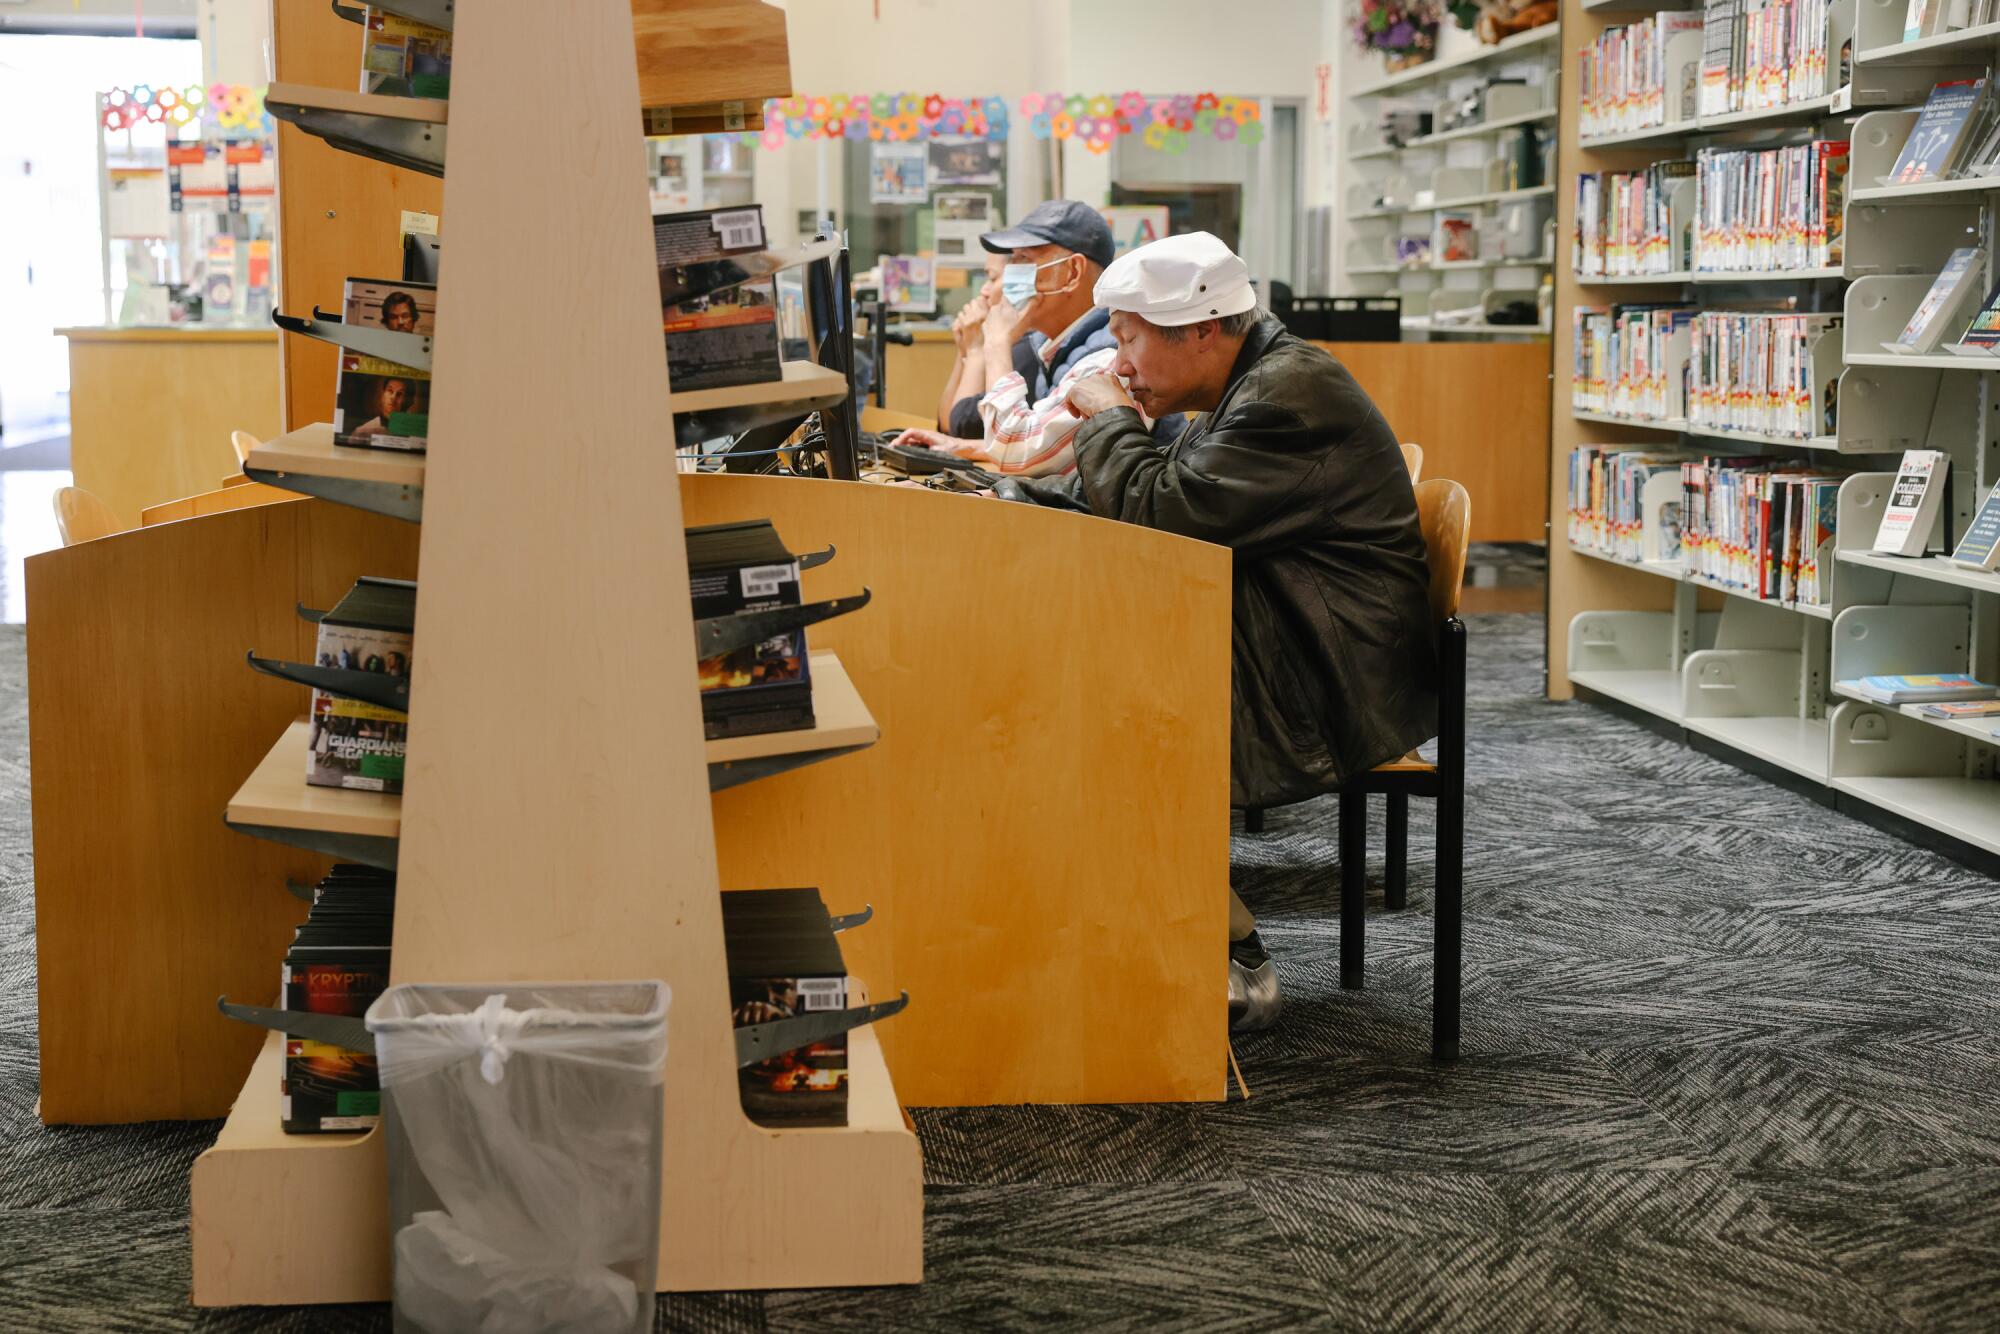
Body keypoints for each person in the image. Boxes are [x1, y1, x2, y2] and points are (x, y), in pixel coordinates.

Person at [999, 232, 1439, 1033]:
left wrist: (1106, 419)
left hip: (1325, 677)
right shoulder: (1256, 381)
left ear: (1202, 330)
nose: (1119, 364)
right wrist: (1012, 502)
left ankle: (1235, 958)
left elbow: (1163, 516)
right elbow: (1173, 500)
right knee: (1058, 674)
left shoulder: (1285, 397)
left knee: (1069, 704)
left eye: (1129, 340)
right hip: (1287, 632)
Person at [897, 200, 1155, 476]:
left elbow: (1017, 453)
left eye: (1024, 261)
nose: (1011, 276)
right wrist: (962, 446)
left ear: (1072, 273)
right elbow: (1053, 446)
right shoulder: (1054, 347)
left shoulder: (1109, 355)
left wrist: (996, 342)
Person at [935, 252, 1042, 438]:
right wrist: (964, 352)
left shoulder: (1028, 347)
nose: (984, 290)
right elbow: (945, 422)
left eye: (992, 278)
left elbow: (961, 429)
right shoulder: (993, 341)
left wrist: (975, 351)